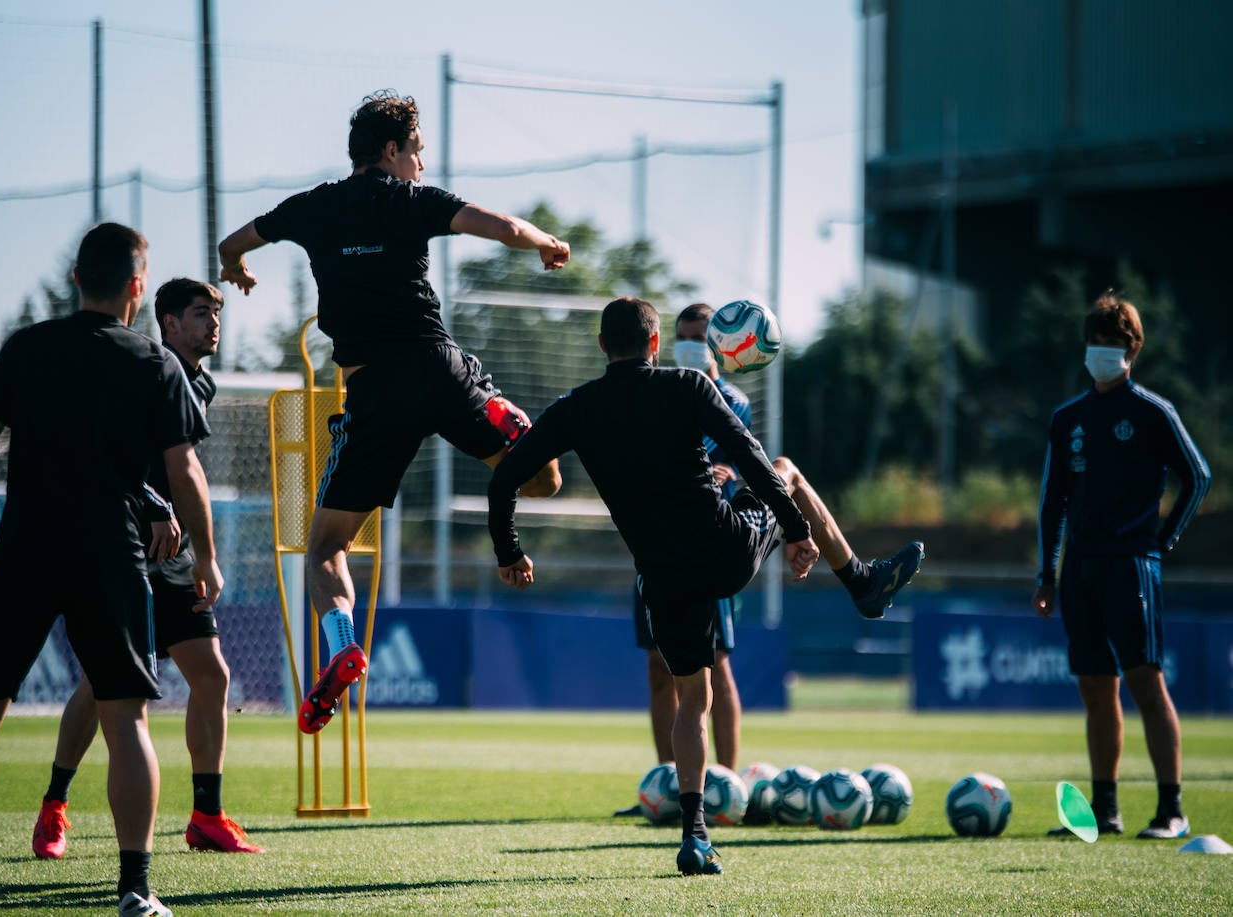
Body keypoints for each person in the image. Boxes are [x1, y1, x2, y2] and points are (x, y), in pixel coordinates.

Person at [0, 224, 219, 917]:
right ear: (138, 289)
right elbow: (186, 470)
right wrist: (206, 557)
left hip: (23, 549)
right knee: (127, 722)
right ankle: (136, 892)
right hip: (111, 554)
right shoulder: (155, 362)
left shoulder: (27, 346)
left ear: (76, 280)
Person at [217, 90, 568, 734]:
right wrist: (549, 243)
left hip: (374, 394)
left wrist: (233, 267)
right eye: (417, 153)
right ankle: (512, 430)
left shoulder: (311, 207)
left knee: (325, 546)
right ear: (391, 151)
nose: (421, 167)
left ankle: (344, 644)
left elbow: (232, 241)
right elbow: (507, 229)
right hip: (439, 372)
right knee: (544, 476)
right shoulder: (412, 201)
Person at [488, 297, 831, 875]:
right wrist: (794, 530)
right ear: (654, 344)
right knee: (788, 470)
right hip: (725, 553)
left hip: (662, 578)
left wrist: (510, 551)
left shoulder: (576, 408)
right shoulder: (690, 386)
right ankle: (859, 579)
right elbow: (749, 456)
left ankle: (694, 835)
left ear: (602, 346)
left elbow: (503, 482)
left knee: (691, 702)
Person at [616, 304, 925, 817]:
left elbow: (727, 467)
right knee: (659, 671)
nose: (690, 345)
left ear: (720, 344)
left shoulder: (728, 397)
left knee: (713, 669)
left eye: (700, 337)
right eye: (683, 336)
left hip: (711, 538)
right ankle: (667, 789)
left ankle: (728, 787)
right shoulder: (659, 390)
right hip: (655, 546)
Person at [29, 278, 262, 863]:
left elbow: (177, 470)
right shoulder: (144, 369)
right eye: (201, 313)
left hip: (175, 552)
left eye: (217, 312)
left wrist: (199, 547)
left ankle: (206, 815)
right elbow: (108, 452)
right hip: (124, 542)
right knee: (103, 682)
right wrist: (156, 508)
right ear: (168, 321)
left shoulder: (197, 381)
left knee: (212, 676)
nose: (214, 322)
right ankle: (54, 806)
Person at [1033, 291, 1210, 841]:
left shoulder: (1153, 412)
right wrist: (1048, 574)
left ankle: (1170, 809)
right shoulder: (1069, 419)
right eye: (1095, 342)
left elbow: (1198, 476)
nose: (1101, 352)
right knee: (1094, 687)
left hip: (1133, 565)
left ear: (1131, 351)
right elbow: (1052, 503)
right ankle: (1105, 810)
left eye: (1112, 344)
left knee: (1145, 682)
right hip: (1081, 569)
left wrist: (1163, 539)